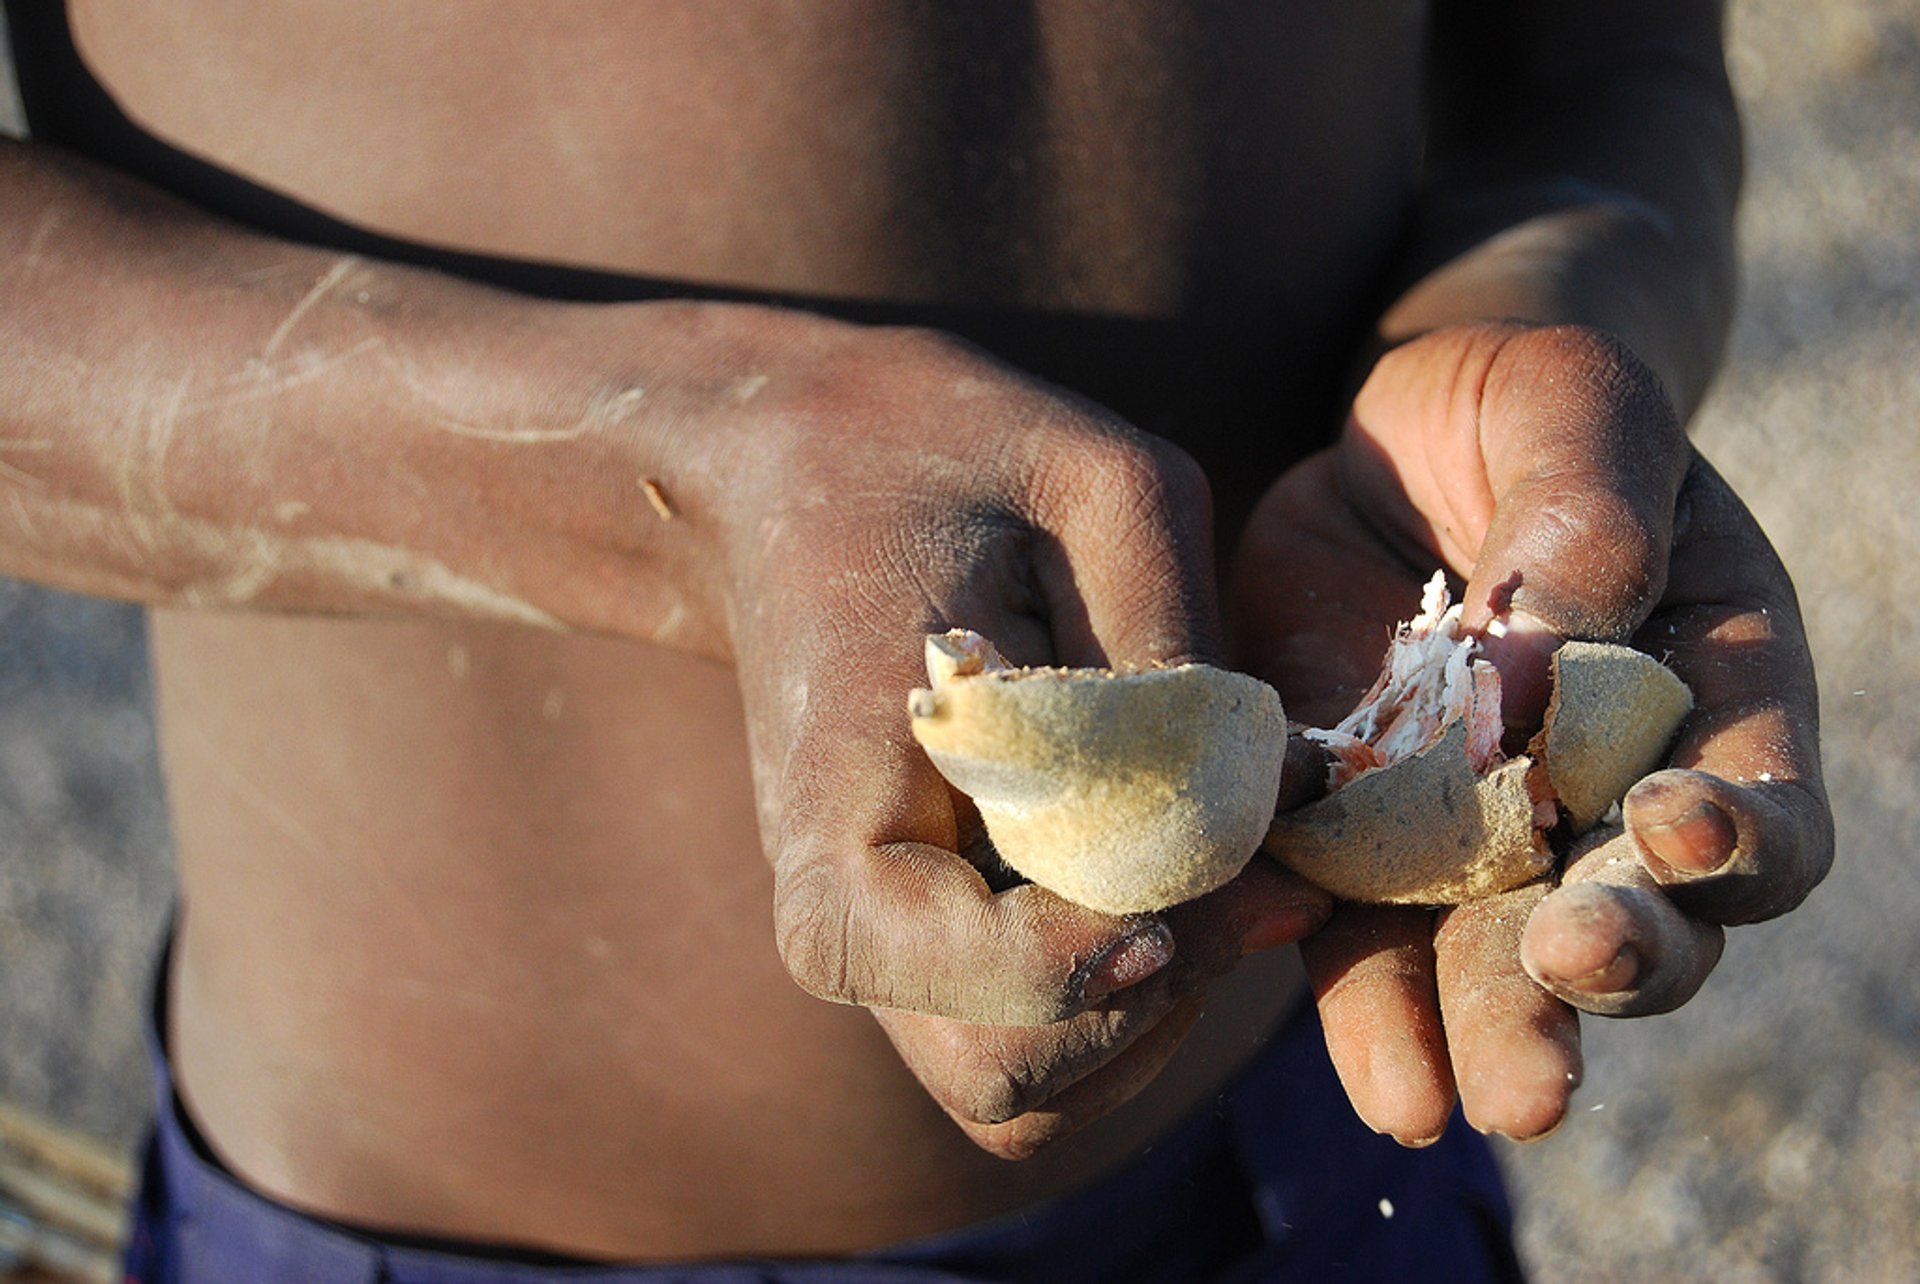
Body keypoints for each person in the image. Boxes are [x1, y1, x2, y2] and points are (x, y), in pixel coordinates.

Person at [0, 3, 1831, 1280]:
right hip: (420, 1244)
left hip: (1314, 1155)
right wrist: (680, 458)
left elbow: (1611, 58)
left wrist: (1546, 332)